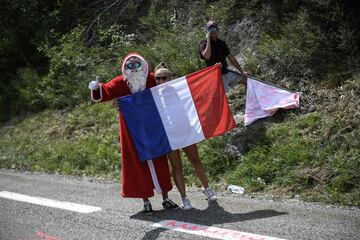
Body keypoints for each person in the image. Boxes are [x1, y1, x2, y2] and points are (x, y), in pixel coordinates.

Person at [88, 52, 179, 214]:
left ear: (143, 65)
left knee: (160, 160)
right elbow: (106, 91)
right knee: (138, 164)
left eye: (137, 65)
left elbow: (167, 85)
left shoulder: (151, 78)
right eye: (129, 66)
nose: (134, 69)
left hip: (153, 127)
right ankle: (146, 201)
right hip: (131, 131)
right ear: (124, 68)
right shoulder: (120, 82)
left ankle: (165, 198)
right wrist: (97, 88)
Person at [154, 63, 217, 210]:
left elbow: (199, 90)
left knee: (195, 160)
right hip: (170, 135)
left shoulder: (181, 90)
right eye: (158, 78)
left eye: (164, 78)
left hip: (186, 131)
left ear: (171, 78)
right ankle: (184, 198)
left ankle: (206, 188)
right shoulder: (153, 96)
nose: (161, 81)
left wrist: (214, 69)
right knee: (177, 167)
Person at [199, 20, 248, 92]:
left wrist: (242, 71)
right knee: (223, 97)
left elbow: (231, 58)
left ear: (217, 29)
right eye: (210, 29)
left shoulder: (221, 43)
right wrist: (208, 41)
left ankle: (250, 101)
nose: (213, 31)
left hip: (226, 71)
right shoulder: (203, 43)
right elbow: (207, 56)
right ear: (207, 31)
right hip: (215, 75)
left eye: (214, 28)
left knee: (246, 80)